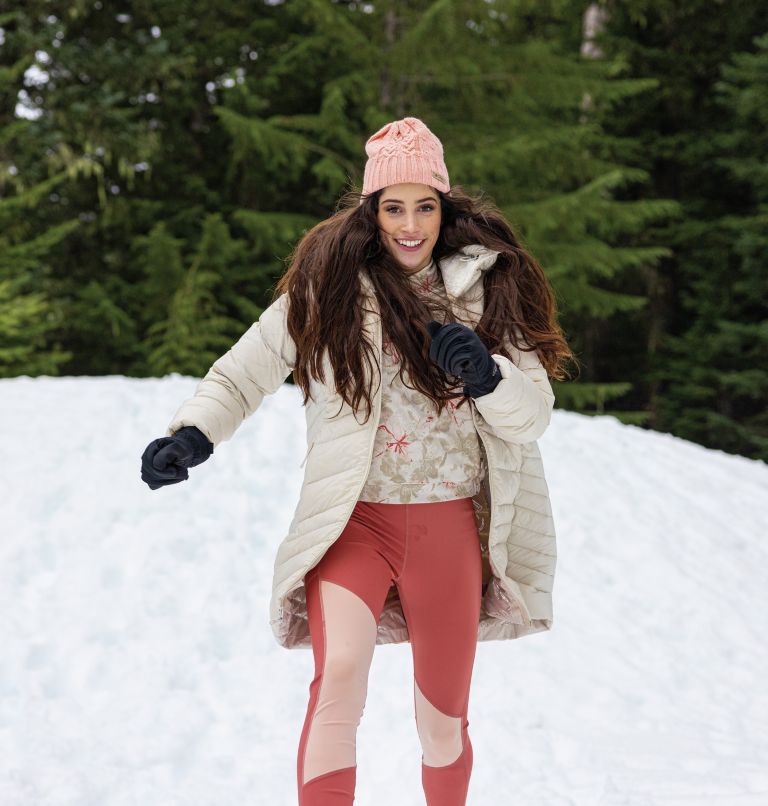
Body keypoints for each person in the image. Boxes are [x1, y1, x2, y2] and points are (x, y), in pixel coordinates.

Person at [141, 116, 573, 806]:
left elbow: (534, 415)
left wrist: (490, 376)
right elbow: (244, 372)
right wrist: (195, 434)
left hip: (449, 530)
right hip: (351, 526)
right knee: (338, 674)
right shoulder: (326, 290)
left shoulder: (486, 290)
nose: (410, 225)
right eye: (393, 207)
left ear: (444, 208)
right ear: (372, 212)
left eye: (424, 207)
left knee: (441, 721)